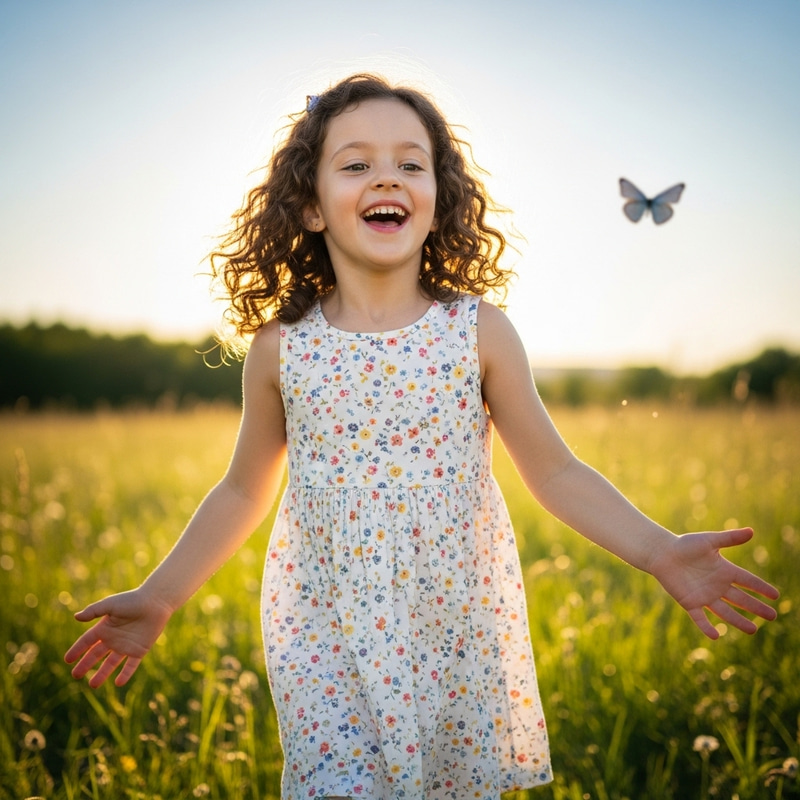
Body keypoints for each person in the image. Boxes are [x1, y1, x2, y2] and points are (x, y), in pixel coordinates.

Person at [65, 74, 779, 799]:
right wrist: (162, 595)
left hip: (456, 628)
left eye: (411, 163)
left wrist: (659, 550)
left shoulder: (479, 332)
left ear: (439, 200)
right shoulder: (282, 348)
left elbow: (555, 472)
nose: (388, 178)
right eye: (356, 164)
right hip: (325, 633)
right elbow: (243, 490)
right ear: (310, 206)